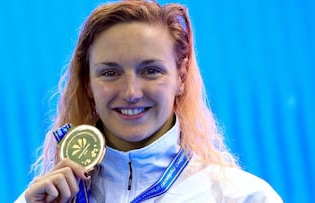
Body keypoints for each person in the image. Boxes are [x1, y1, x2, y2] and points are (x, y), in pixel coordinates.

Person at [15, 0, 283, 202]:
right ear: (88, 84)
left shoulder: (243, 197)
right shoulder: (44, 199)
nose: (131, 92)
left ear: (181, 76)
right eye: (110, 73)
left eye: (151, 71)